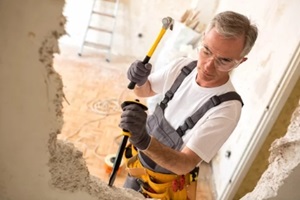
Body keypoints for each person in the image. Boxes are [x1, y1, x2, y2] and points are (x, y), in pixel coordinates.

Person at [119, 10, 258, 200]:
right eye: (207, 50)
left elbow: (185, 164)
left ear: (240, 62)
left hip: (163, 187)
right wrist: (140, 80)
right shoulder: (183, 67)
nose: (208, 66)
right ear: (202, 40)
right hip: (138, 163)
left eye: (224, 60)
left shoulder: (227, 108)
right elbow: (145, 91)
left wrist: (143, 139)